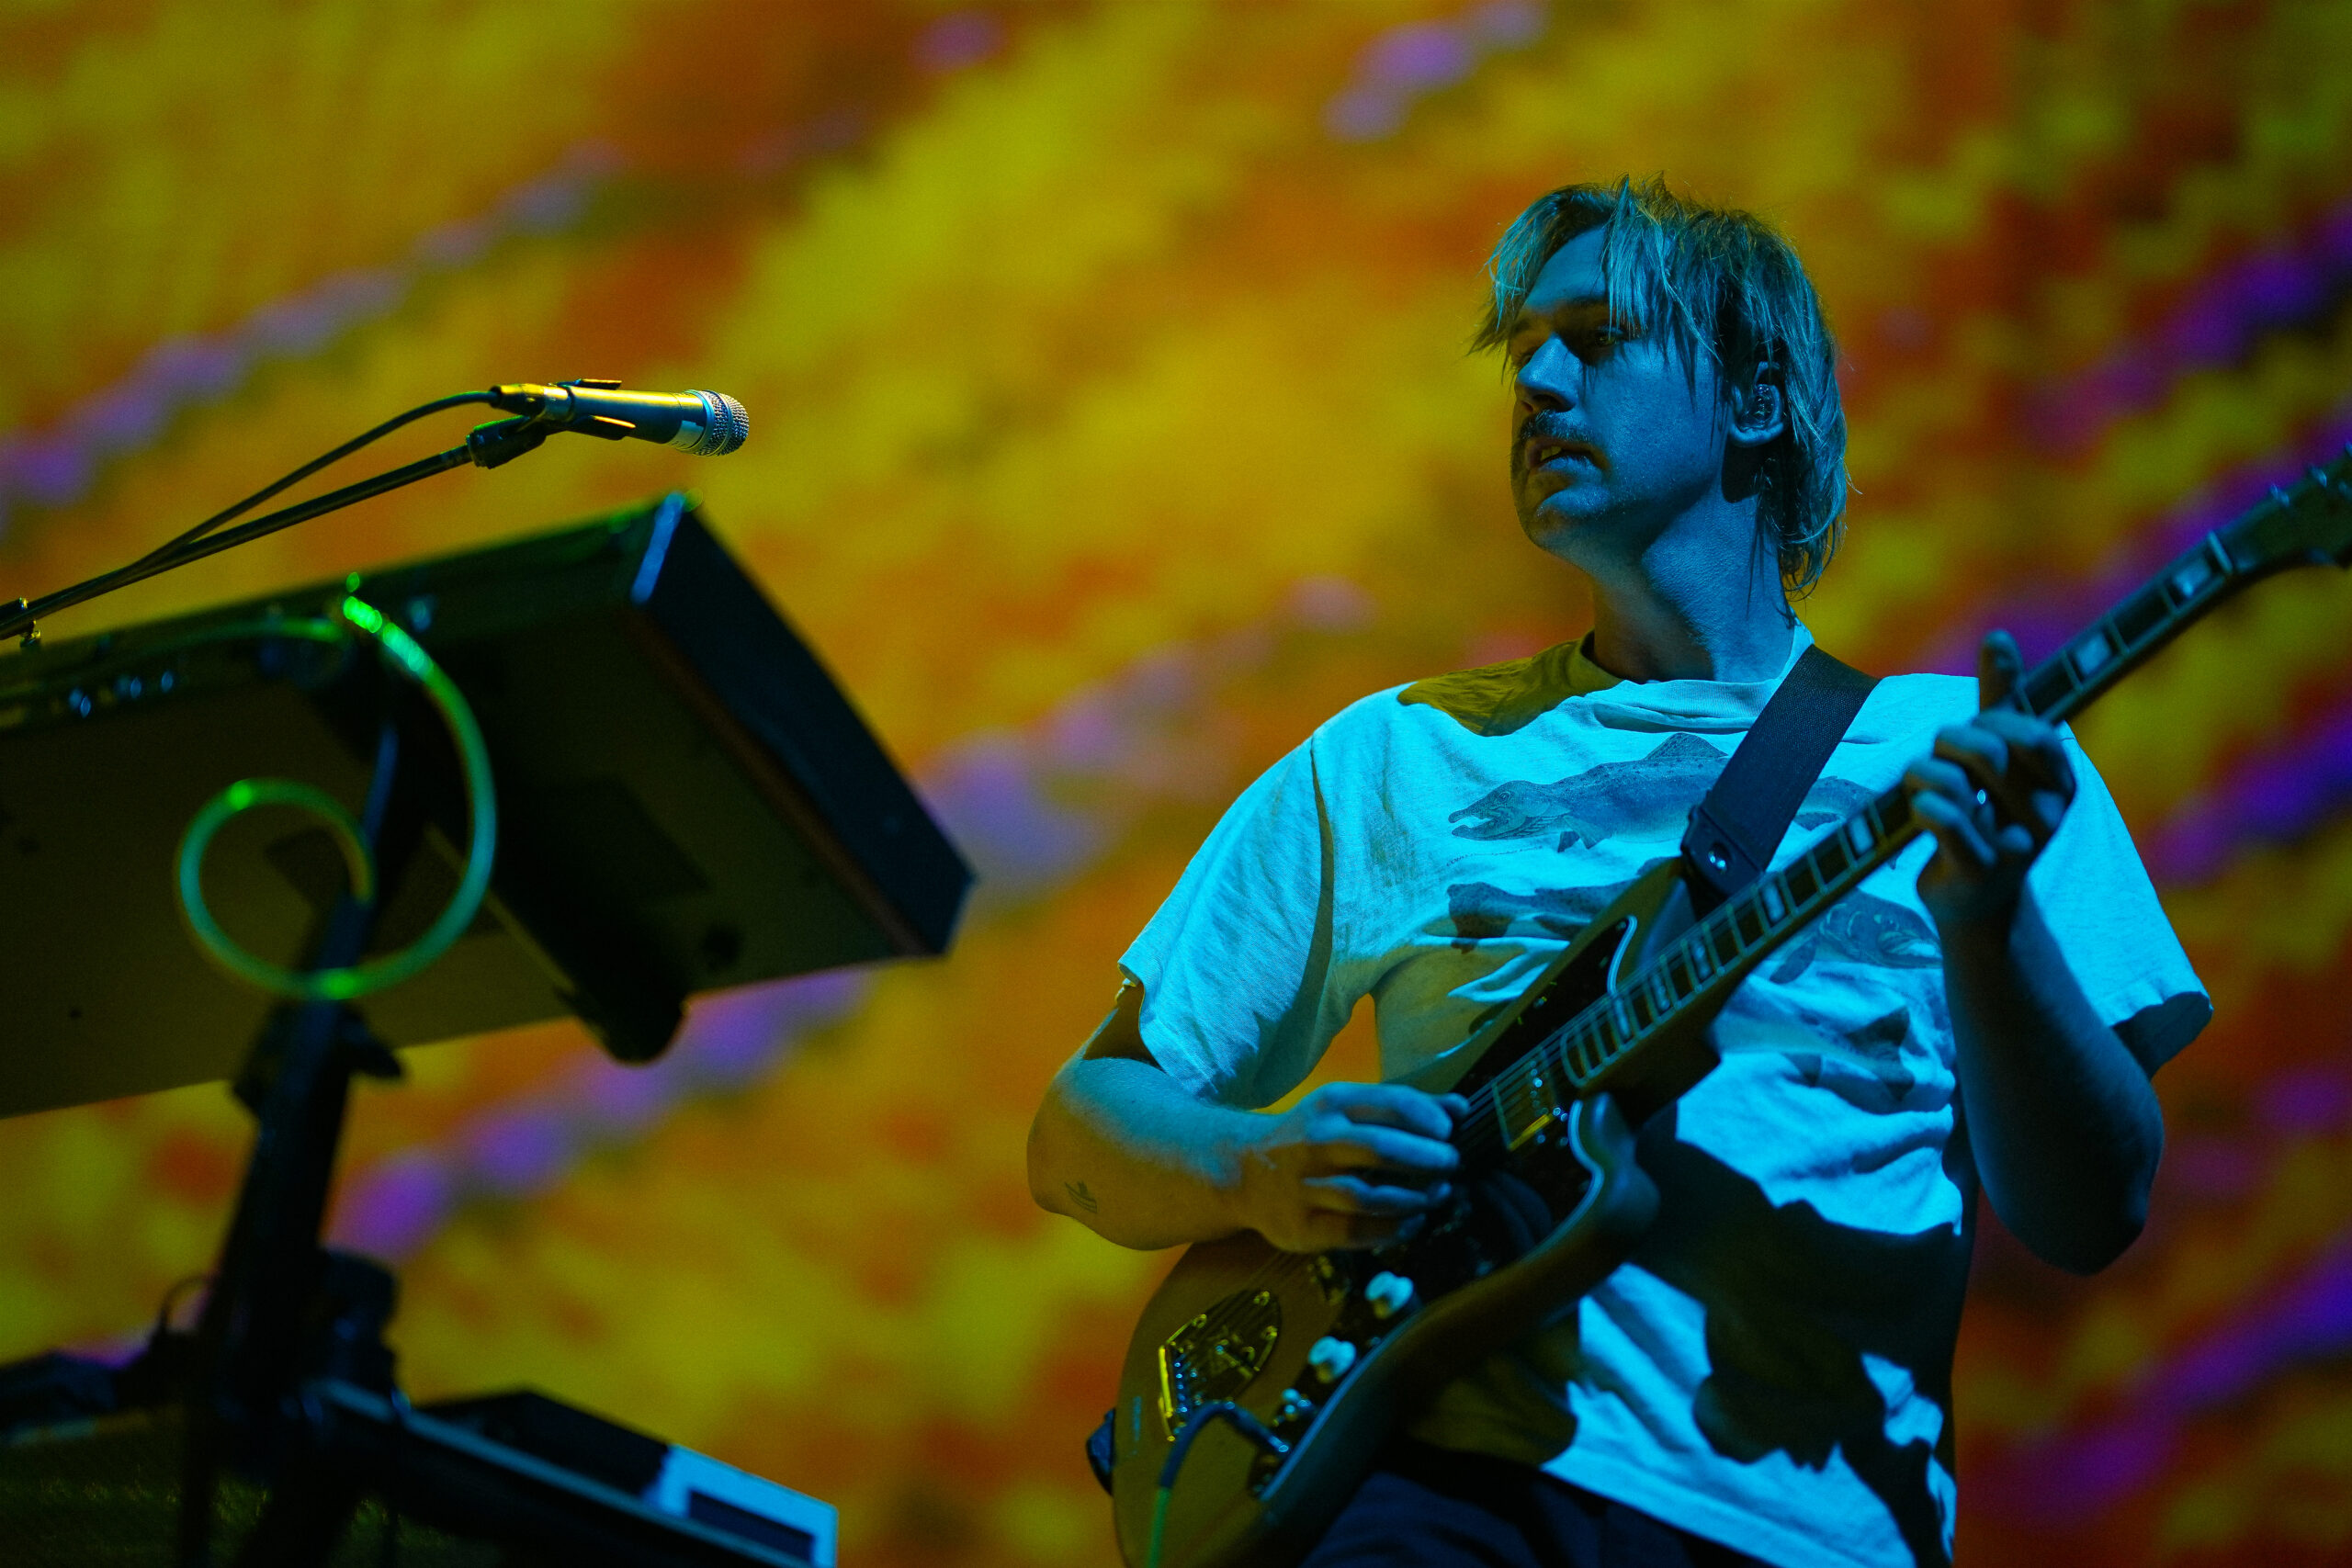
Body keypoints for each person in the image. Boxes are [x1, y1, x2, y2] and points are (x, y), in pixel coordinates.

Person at [1025, 176, 2208, 1568]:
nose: (1533, 377)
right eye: (1523, 345)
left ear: (1758, 400)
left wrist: (1989, 922)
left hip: (1802, 1533)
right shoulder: (1404, 756)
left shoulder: (1960, 760)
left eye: (1597, 336)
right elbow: (1078, 1130)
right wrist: (1256, 1165)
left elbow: (2091, 1216)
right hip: (1428, 1488)